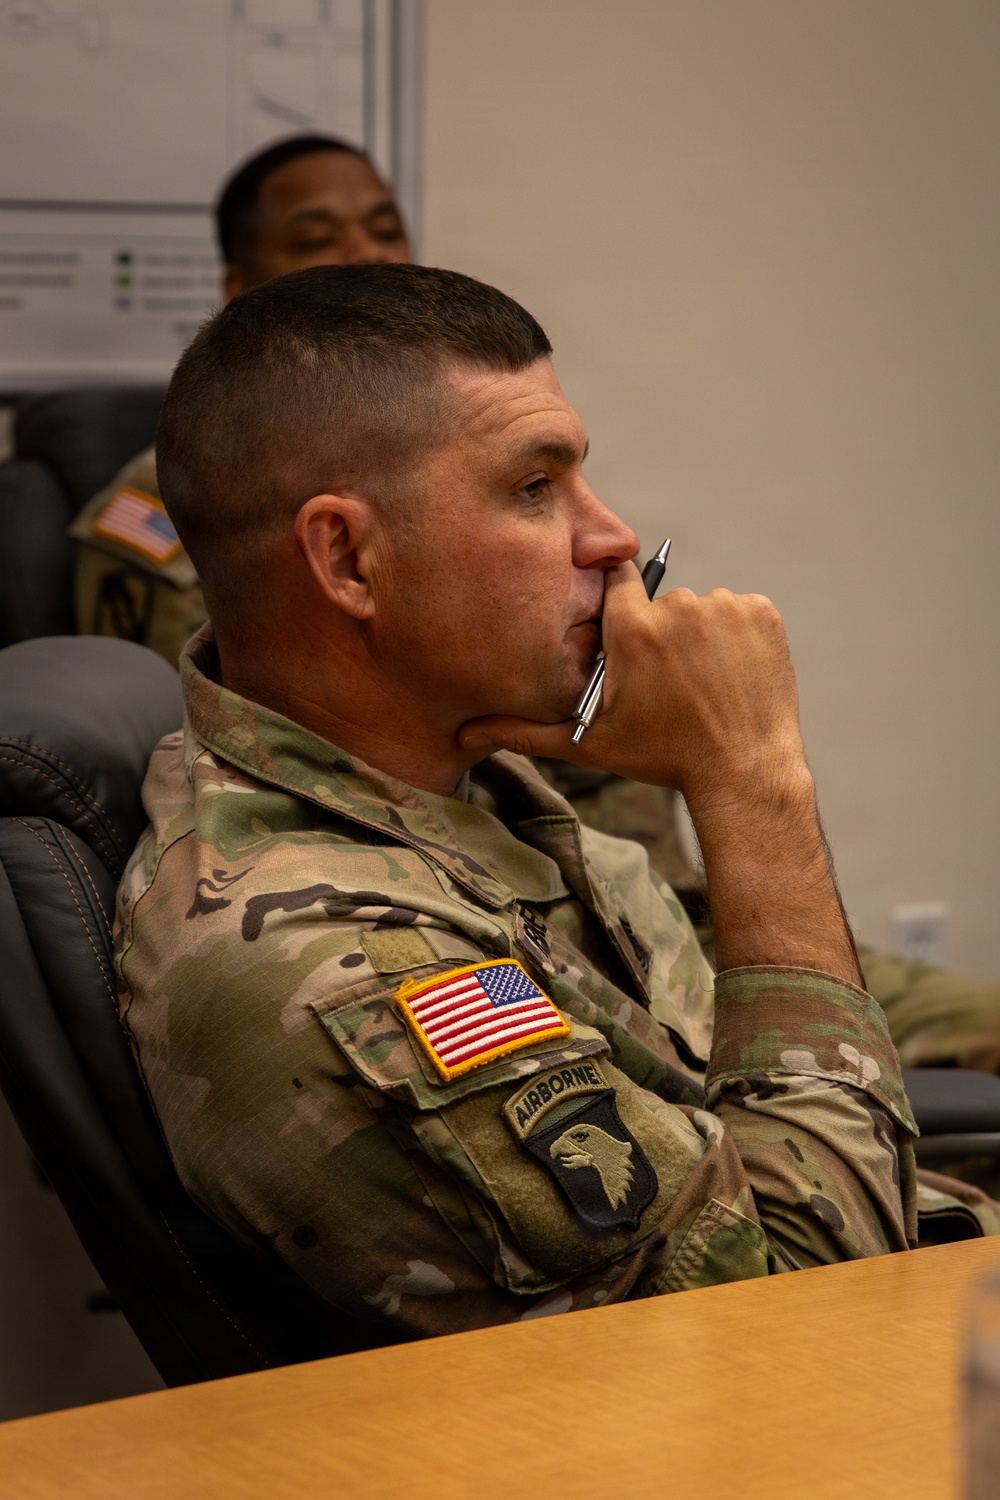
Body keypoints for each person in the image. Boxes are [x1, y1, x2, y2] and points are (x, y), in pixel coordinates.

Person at [116, 264, 997, 1342]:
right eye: (535, 489)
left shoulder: (452, 777)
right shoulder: (333, 957)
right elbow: (802, 1318)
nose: (613, 536)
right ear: (349, 558)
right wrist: (751, 781)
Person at [69, 133, 411, 662]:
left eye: (386, 229)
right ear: (241, 289)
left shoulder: (455, 439)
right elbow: (167, 719)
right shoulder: (178, 497)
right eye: (318, 239)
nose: (371, 253)